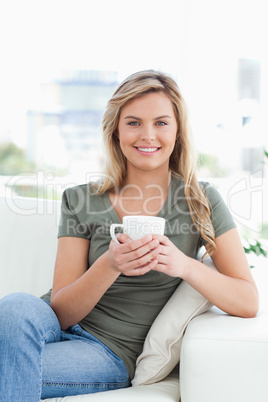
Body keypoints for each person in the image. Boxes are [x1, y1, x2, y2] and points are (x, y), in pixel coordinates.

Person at [0, 70, 259, 401]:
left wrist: (184, 266)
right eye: (134, 122)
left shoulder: (200, 201)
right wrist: (109, 264)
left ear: (178, 131)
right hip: (48, 325)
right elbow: (61, 312)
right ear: (117, 131)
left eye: (161, 123)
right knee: (12, 308)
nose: (147, 135)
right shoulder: (80, 199)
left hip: (107, 351)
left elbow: (248, 300)